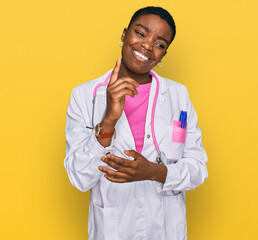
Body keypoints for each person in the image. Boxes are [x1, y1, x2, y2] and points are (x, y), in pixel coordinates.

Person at [64, 6, 208, 240]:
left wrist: (155, 172)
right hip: (113, 229)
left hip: (166, 229)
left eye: (160, 44)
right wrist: (109, 120)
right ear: (124, 34)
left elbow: (198, 169)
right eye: (140, 33)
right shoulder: (84, 95)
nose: (148, 46)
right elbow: (79, 178)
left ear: (163, 54)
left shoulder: (177, 95)